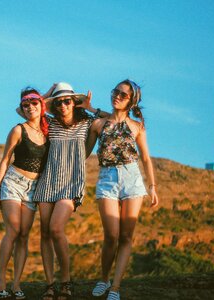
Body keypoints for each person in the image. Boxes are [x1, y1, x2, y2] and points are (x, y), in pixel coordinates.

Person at [32, 82, 108, 300]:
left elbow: (115, 119)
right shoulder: (49, 124)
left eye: (67, 100)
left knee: (56, 228)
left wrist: (92, 108)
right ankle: (50, 285)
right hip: (47, 181)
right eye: (59, 102)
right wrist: (46, 94)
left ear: (74, 103)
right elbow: (24, 109)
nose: (63, 105)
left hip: (71, 184)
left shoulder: (87, 124)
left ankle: (66, 281)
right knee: (45, 233)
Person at [88, 79, 159, 300]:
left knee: (126, 236)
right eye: (115, 91)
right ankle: (104, 278)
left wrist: (153, 186)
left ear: (131, 101)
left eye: (123, 94)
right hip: (107, 178)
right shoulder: (98, 124)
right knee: (111, 235)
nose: (117, 96)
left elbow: (146, 158)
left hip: (132, 179)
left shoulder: (137, 126)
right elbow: (83, 152)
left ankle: (115, 288)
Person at [0, 87, 49, 300]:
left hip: (33, 189)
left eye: (35, 103)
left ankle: (16, 284)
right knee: (13, 230)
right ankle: (0, 280)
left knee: (24, 235)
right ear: (21, 109)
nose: (30, 107)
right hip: (13, 183)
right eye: (25, 104)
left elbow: (39, 106)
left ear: (42, 104)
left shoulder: (47, 130)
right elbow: (5, 159)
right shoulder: (18, 130)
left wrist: (45, 94)